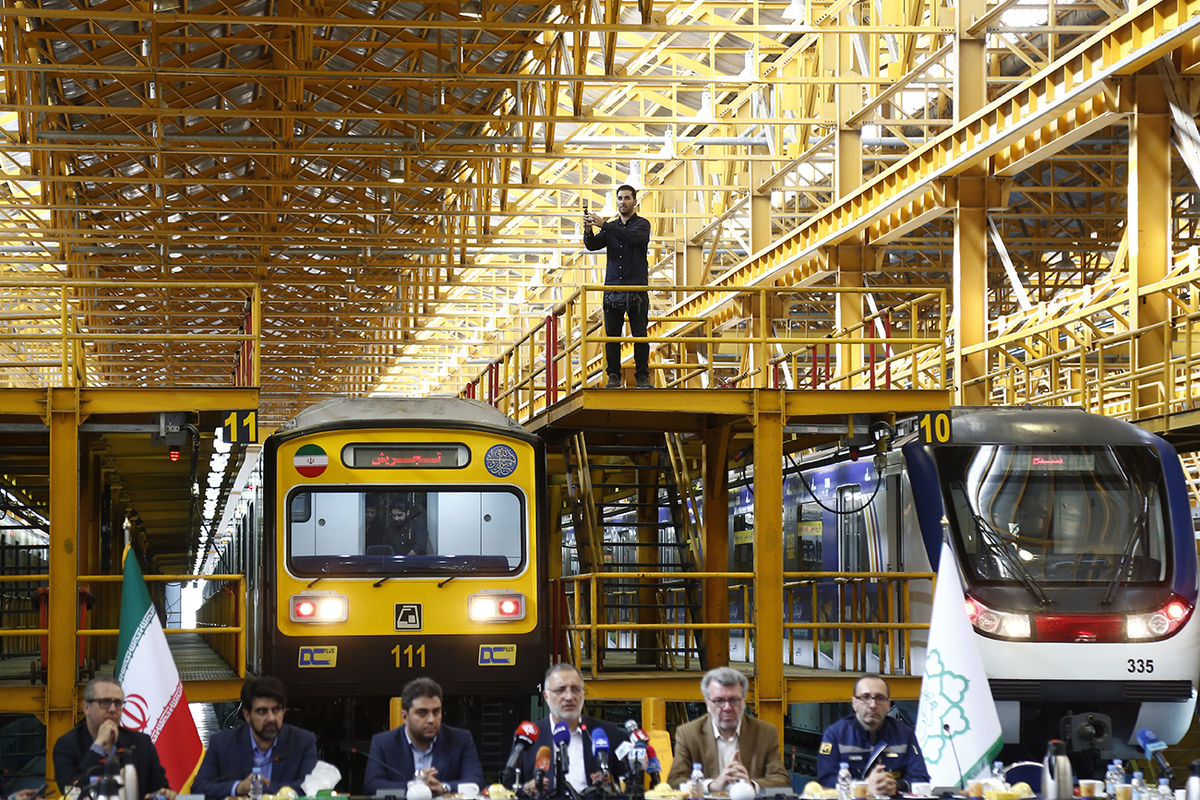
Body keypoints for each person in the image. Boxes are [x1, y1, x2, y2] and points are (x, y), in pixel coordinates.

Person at [192, 676, 318, 800]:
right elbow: (198, 788)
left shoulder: (303, 742)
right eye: (262, 711)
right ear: (247, 715)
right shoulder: (221, 743)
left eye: (276, 710)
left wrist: (256, 788)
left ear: (284, 711)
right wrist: (238, 788)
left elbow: (311, 789)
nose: (271, 718)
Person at [666, 667, 790, 791]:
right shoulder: (688, 734)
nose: (727, 707)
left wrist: (750, 785)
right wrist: (711, 785)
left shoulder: (765, 733)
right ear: (707, 704)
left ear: (743, 702)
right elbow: (675, 782)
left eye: (734, 700)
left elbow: (782, 782)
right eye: (719, 700)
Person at [52, 675, 175, 798]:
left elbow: (160, 788)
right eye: (105, 702)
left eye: (118, 703)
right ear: (86, 708)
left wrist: (162, 794)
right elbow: (71, 792)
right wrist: (98, 746)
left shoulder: (142, 743)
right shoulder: (67, 745)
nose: (112, 709)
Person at [513, 663, 628, 795]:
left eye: (575, 689)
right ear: (546, 696)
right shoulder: (527, 739)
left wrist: (613, 788)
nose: (569, 697)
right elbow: (510, 789)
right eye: (560, 690)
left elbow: (629, 786)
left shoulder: (609, 733)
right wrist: (527, 790)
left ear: (583, 694)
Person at [583, 185, 653, 389]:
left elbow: (630, 237)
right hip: (613, 291)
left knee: (640, 336)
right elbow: (593, 245)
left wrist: (604, 225)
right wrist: (588, 230)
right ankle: (613, 376)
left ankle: (642, 377)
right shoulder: (611, 228)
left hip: (637, 291)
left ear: (635, 202)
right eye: (620, 198)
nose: (623, 202)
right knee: (612, 337)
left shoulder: (642, 225)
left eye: (627, 198)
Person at [364, 677, 484, 795]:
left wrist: (443, 787)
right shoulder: (383, 743)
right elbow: (373, 784)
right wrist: (416, 787)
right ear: (405, 716)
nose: (431, 719)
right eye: (422, 713)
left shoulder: (461, 740)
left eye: (436, 712)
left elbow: (476, 781)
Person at [816, 674, 929, 796]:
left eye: (880, 698)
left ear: (889, 705)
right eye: (865, 697)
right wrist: (864, 787)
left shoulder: (905, 734)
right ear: (854, 703)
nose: (873, 705)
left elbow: (921, 780)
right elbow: (826, 783)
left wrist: (896, 786)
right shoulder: (835, 735)